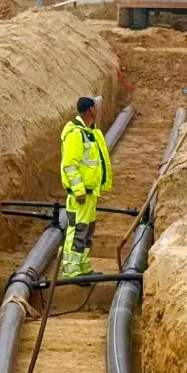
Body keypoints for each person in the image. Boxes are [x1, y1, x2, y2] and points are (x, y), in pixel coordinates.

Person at [60, 96, 113, 277]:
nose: (97, 111)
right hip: (81, 195)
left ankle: (83, 266)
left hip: (90, 194)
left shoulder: (89, 132)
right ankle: (72, 270)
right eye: (96, 108)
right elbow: (69, 165)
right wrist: (78, 190)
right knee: (77, 230)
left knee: (86, 230)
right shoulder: (76, 134)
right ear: (91, 110)